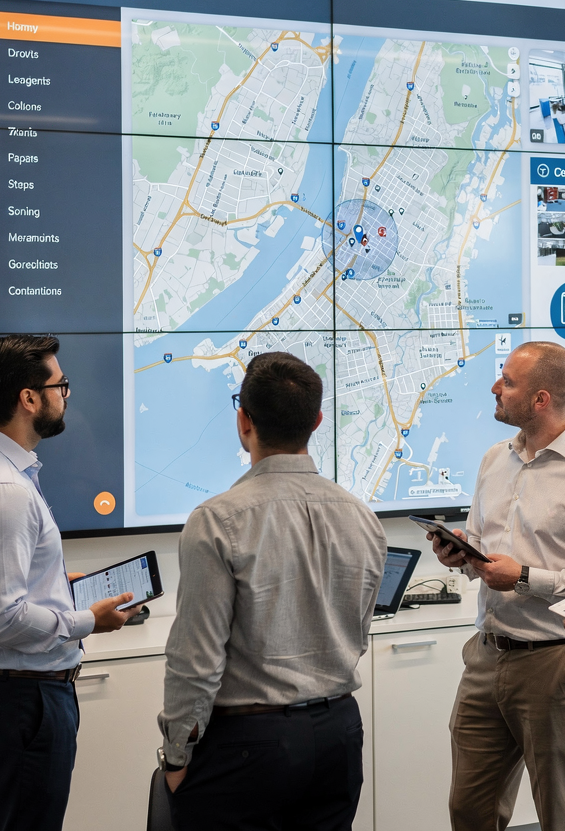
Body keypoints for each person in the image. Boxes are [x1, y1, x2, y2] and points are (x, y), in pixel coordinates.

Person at [158, 351, 387, 831]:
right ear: (318, 421)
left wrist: (176, 757)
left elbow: (195, 661)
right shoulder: (363, 517)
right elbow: (358, 629)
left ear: (244, 421)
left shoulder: (217, 521)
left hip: (246, 746)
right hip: (339, 736)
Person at [0, 334, 138, 831]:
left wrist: (52, 581)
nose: (66, 395)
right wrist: (86, 620)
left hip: (10, 696)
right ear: (29, 398)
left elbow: (3, 588)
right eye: (59, 385)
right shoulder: (4, 490)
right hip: (20, 702)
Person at [427, 341, 565, 831]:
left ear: (541, 399)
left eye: (508, 382)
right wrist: (462, 554)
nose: (496, 388)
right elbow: (483, 544)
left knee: (564, 816)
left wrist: (523, 578)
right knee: (468, 811)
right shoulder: (495, 459)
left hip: (553, 660)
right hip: (486, 654)